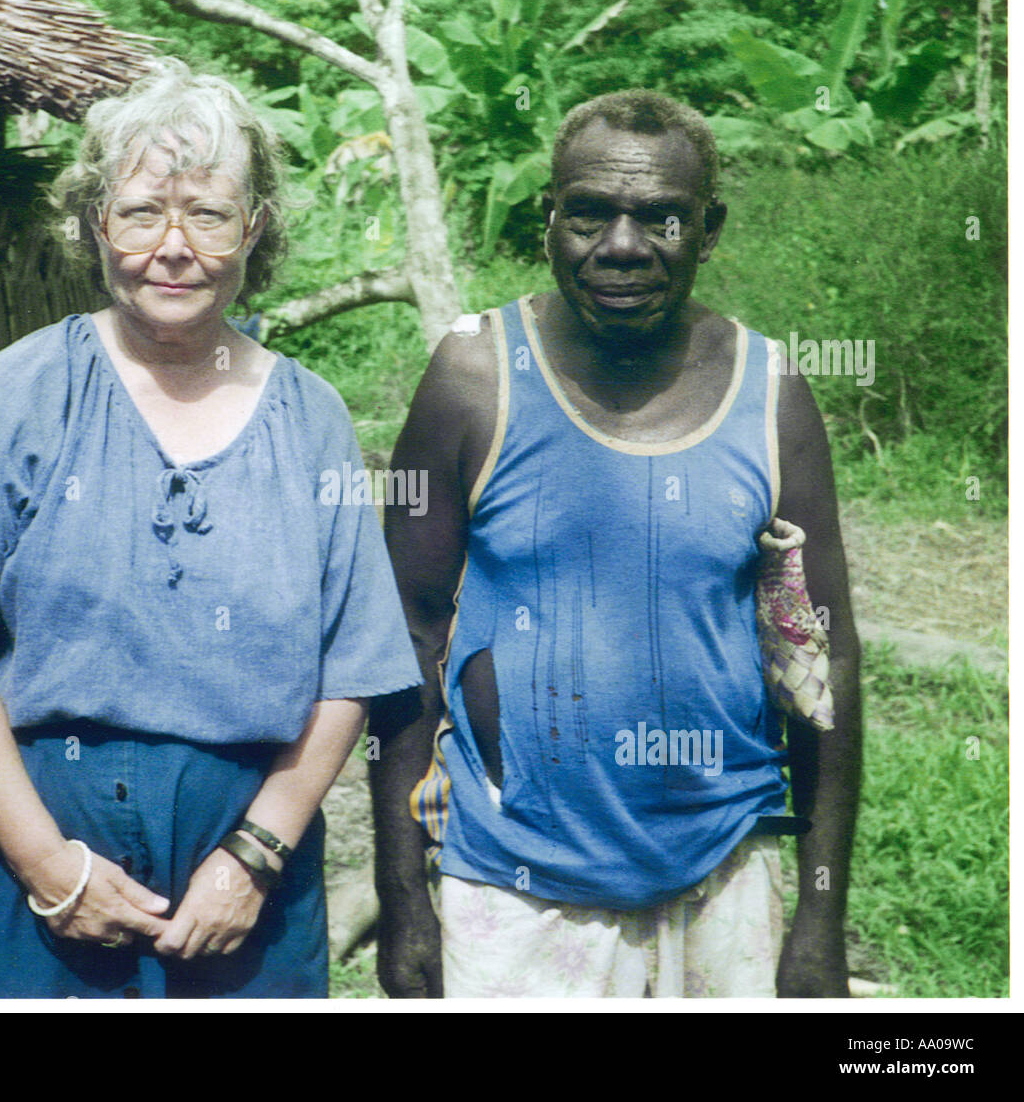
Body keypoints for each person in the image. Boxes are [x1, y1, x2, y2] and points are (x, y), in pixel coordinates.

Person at [0, 57, 421, 999]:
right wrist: (50, 868)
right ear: (95, 225)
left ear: (255, 230)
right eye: (142, 210)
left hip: (236, 886)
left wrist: (254, 855)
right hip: (6, 862)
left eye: (207, 213)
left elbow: (350, 671)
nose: (173, 245)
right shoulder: (17, 395)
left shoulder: (313, 416)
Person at [369, 90, 862, 998]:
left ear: (708, 229)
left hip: (722, 871)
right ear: (547, 220)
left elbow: (821, 658)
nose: (623, 246)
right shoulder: (475, 375)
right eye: (590, 214)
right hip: (512, 884)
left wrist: (820, 919)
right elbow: (408, 632)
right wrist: (401, 899)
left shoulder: (771, 393)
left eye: (661, 218)